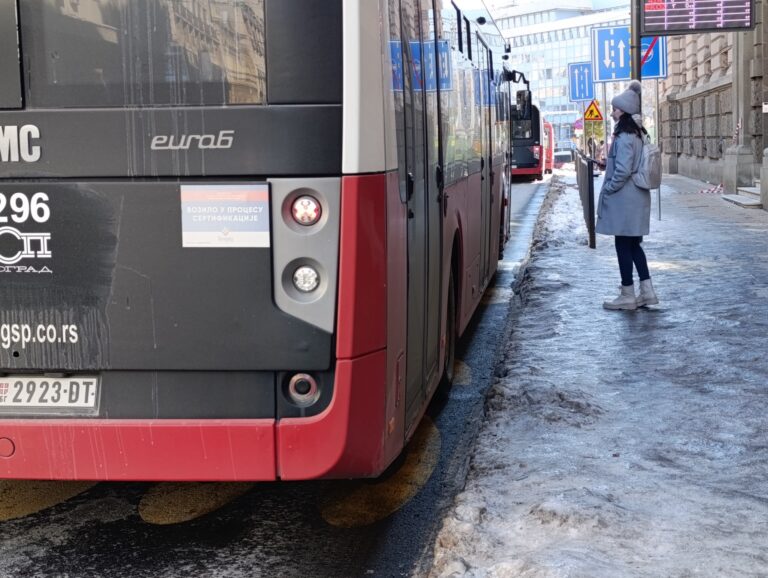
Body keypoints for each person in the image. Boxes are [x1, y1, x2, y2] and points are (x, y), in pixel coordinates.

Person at [595, 80, 659, 310]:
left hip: (625, 198)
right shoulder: (639, 133)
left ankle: (627, 295)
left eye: (614, 109)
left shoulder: (623, 137)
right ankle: (647, 292)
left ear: (623, 111)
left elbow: (622, 170)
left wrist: (609, 188)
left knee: (622, 245)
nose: (611, 113)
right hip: (638, 196)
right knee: (634, 246)